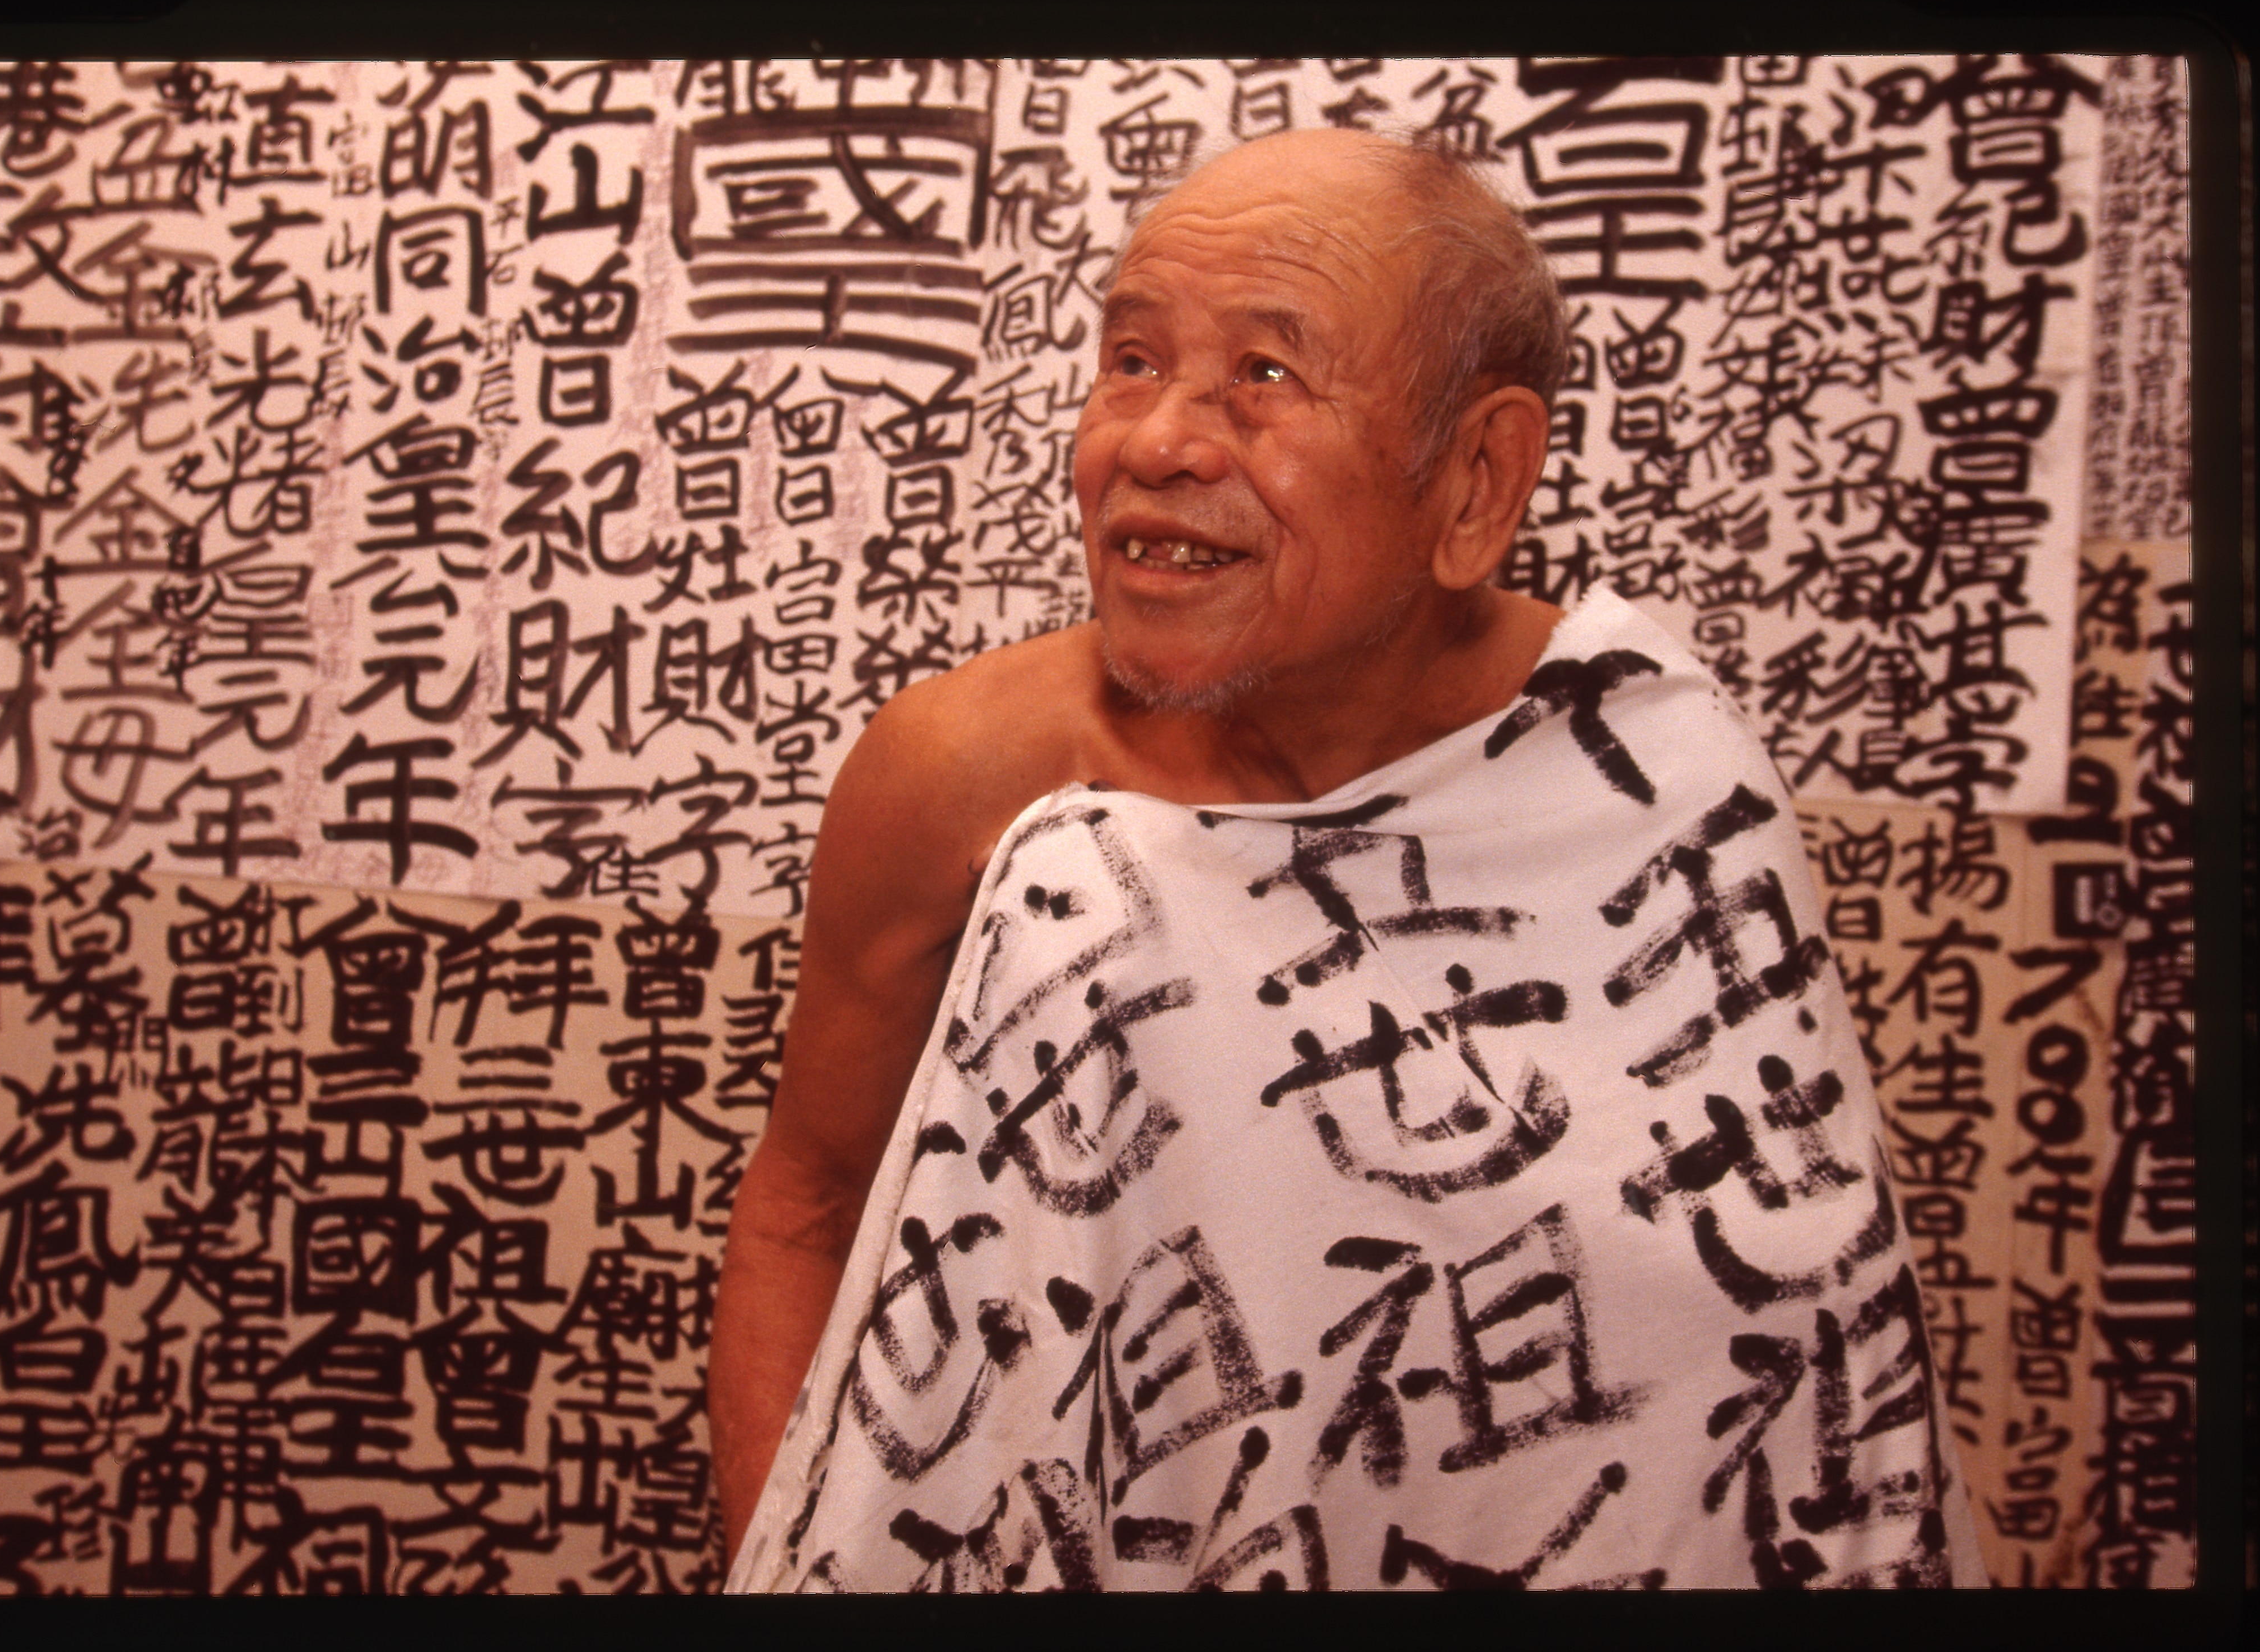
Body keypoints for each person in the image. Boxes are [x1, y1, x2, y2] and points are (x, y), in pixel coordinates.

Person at [711, 127, 1982, 1590]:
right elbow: (805, 1206)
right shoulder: (957, 775)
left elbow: (1824, 1343)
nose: (1155, 441)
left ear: (1476, 479)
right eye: (1131, 357)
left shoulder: (1657, 765)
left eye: (1265, 374)